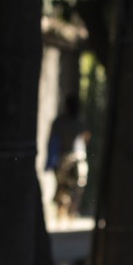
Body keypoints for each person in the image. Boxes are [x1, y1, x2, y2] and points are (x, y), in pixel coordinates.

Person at [46, 93, 90, 222]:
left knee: (63, 187)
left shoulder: (60, 122)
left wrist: (50, 161)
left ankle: (65, 214)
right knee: (76, 186)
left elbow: (52, 141)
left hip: (64, 158)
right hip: (74, 158)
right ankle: (70, 214)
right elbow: (86, 137)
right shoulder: (80, 122)